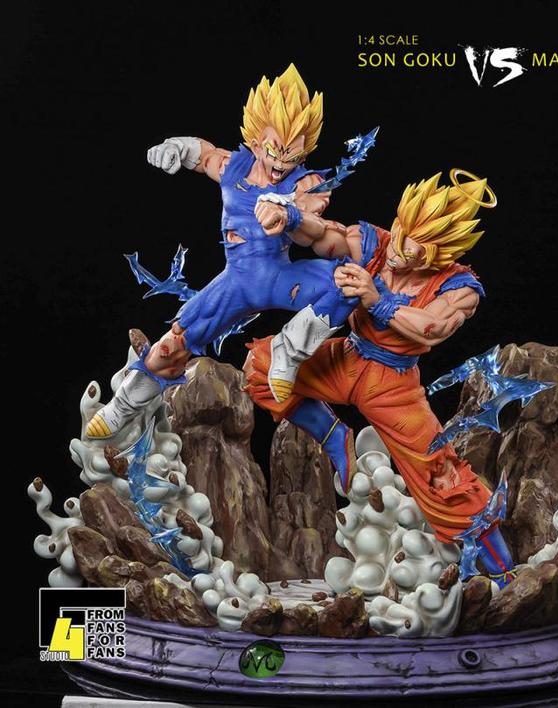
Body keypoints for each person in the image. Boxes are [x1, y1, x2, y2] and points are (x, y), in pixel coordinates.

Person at [244, 171, 517, 588]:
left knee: (442, 474)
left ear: (442, 252)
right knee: (261, 366)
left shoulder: (459, 287)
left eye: (417, 245)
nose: (401, 247)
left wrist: (377, 299)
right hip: (346, 357)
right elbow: (326, 235)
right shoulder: (376, 242)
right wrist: (290, 216)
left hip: (393, 383)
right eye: (403, 230)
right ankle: (335, 437)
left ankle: (502, 572)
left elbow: (431, 328)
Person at [86, 64, 365, 441]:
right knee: (172, 344)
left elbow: (312, 214)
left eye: (293, 154)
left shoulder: (308, 181)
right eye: (275, 150)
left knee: (349, 282)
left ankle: (288, 352)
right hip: (235, 283)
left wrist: (289, 213)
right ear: (256, 140)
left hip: (282, 278)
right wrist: (176, 146)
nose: (282, 162)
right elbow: (204, 155)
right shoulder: (235, 167)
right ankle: (121, 408)